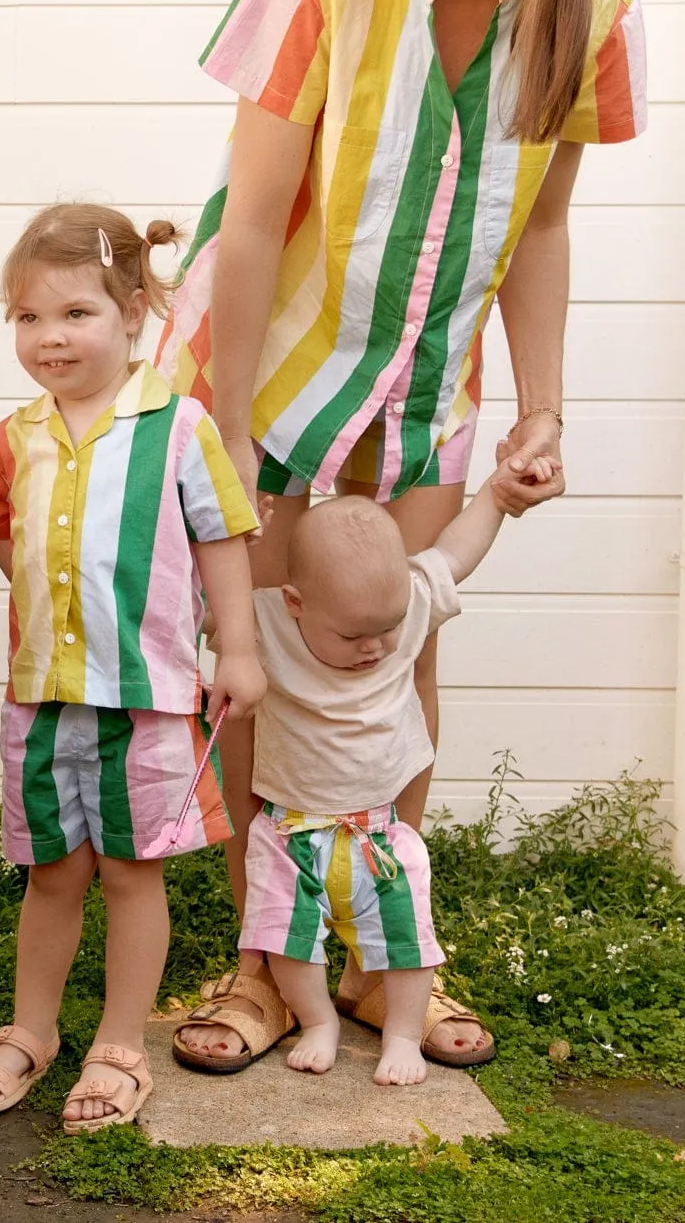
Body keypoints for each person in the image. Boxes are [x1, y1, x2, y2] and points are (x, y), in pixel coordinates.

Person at [161, 0, 645, 1074]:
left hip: (426, 395)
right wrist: (223, 422)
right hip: (267, 380)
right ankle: (266, 965)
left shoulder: (597, 13)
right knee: (257, 664)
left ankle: (386, 956)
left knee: (396, 655)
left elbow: (538, 222)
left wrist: (543, 408)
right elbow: (254, 216)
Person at [0, 205, 263, 1133]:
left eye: (75, 313)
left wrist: (237, 649)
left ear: (133, 312)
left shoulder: (179, 426)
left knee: (132, 875)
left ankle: (120, 1042)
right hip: (43, 699)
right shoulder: (12, 438)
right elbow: (8, 541)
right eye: (28, 318)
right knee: (53, 873)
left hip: (150, 700)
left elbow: (223, 537)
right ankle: (31, 1030)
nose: (50, 337)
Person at [243, 458, 553, 1087]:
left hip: (381, 834)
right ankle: (318, 1018)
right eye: (355, 634)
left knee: (410, 943)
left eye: (387, 631)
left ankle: (403, 1033)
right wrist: (227, 532)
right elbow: (187, 597)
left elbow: (455, 553)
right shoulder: (262, 622)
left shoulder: (405, 606)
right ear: (296, 604)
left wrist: (495, 497)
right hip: (287, 831)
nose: (376, 648)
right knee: (285, 939)